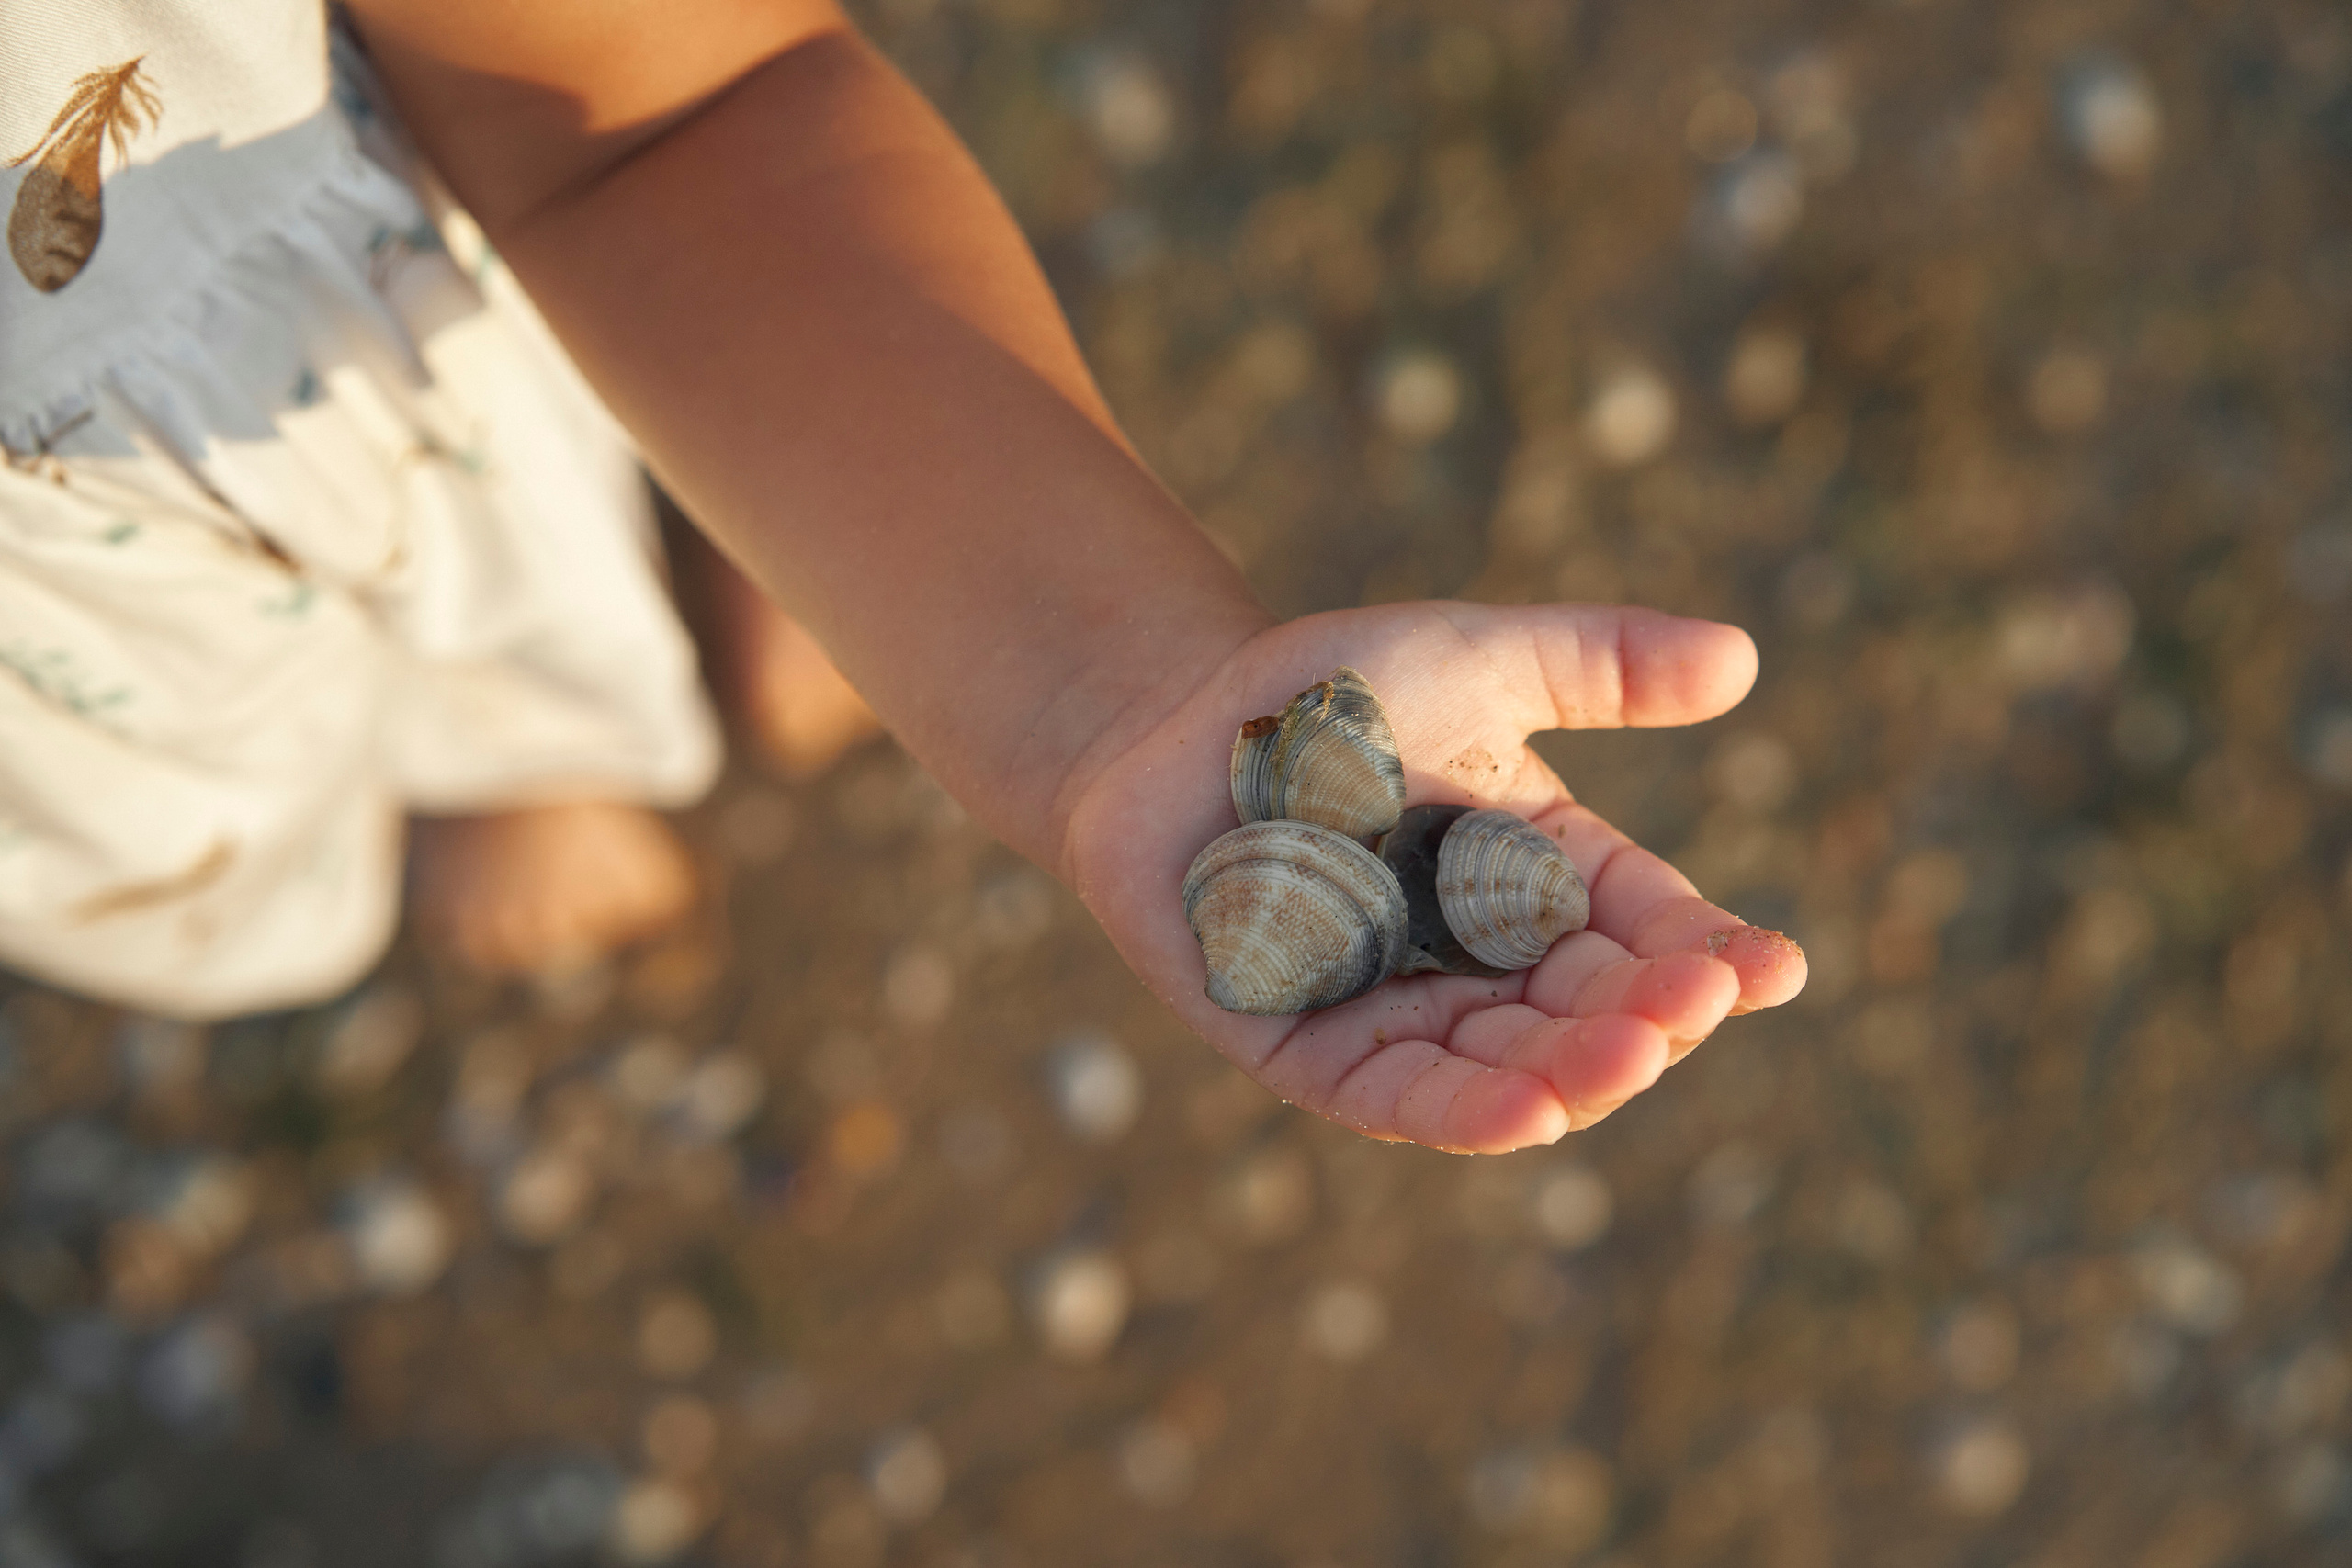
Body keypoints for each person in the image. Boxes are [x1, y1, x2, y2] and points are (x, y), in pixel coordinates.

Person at [0, 0, 1805, 1156]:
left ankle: (558, 727)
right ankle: (499, 757)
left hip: (394, 354)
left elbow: (662, 120)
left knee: (528, 565)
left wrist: (1092, 684)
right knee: (215, 858)